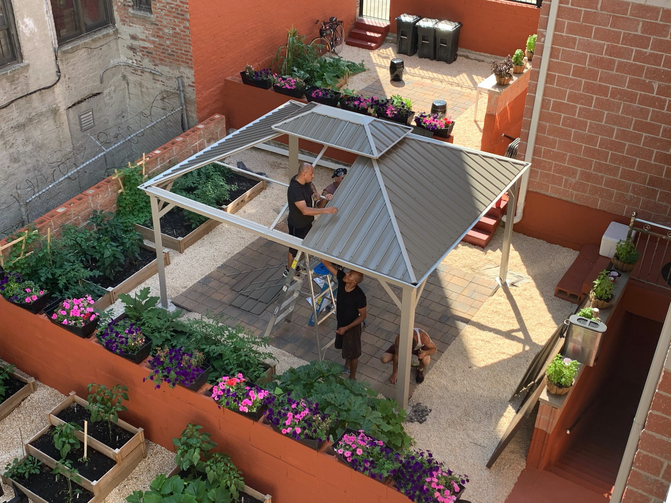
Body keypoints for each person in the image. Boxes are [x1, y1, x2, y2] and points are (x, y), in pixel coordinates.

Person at [286, 162, 337, 276]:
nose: (313, 176)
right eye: (311, 174)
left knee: (304, 246)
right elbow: (305, 210)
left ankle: (296, 265)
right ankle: (289, 269)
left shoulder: (304, 181)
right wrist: (326, 210)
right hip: (297, 224)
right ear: (304, 174)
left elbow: (311, 185)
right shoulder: (295, 189)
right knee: (293, 249)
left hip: (307, 222)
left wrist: (314, 192)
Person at [320, 259, 366, 380]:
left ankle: (352, 377)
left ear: (354, 282)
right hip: (341, 321)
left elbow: (363, 316)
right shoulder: (342, 279)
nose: (346, 274)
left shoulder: (359, 296)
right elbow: (326, 263)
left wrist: (346, 328)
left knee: (353, 353)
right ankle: (346, 366)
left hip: (352, 326)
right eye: (348, 273)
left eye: (350, 275)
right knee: (345, 348)